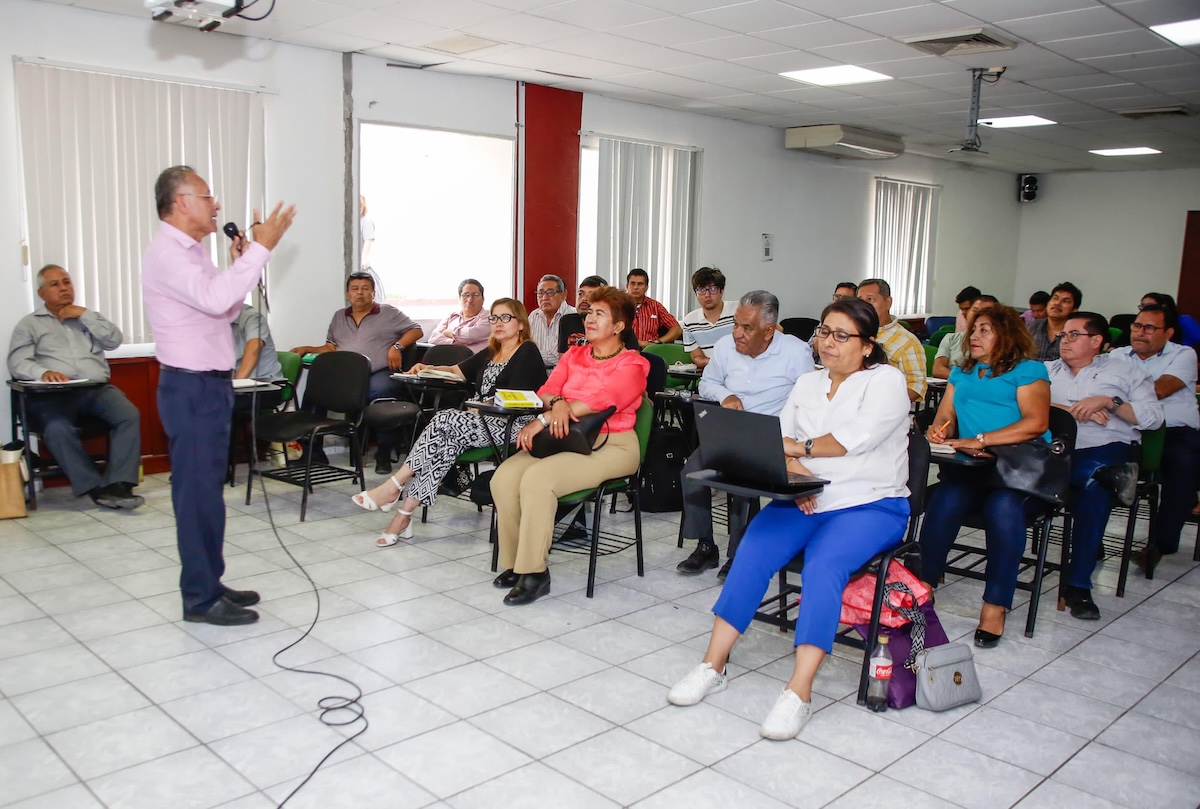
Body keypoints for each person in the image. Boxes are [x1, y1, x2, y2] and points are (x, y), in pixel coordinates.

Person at [667, 297, 911, 741]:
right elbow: (779, 439)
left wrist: (801, 450)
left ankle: (799, 692)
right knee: (753, 551)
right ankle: (713, 666)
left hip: (871, 503)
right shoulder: (808, 382)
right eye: (824, 332)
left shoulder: (886, 381)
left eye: (842, 335)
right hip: (805, 495)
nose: (828, 342)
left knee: (823, 566)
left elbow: (852, 440)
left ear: (867, 345)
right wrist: (797, 471)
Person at [142, 165, 295, 626]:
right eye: (208, 196)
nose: (217, 205)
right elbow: (213, 301)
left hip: (209, 384)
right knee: (195, 495)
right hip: (190, 386)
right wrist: (262, 249)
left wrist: (239, 265)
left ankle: (210, 581)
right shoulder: (168, 253)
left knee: (209, 492)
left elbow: (223, 308)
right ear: (181, 201)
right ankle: (198, 598)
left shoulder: (192, 253)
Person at [491, 287, 649, 606]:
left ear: (619, 326)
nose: (589, 319)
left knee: (538, 480)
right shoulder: (574, 355)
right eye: (589, 312)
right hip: (565, 438)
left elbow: (602, 399)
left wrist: (547, 417)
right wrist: (559, 403)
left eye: (599, 314)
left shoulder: (633, 364)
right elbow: (546, 391)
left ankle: (534, 573)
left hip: (613, 445)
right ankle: (517, 562)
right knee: (503, 478)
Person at [351, 298, 547, 545]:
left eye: (506, 317)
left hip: (512, 425)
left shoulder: (527, 351)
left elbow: (518, 398)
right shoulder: (491, 351)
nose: (498, 323)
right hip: (477, 422)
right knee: (444, 445)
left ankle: (394, 485)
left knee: (444, 418)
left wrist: (479, 407)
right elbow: (457, 370)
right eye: (494, 318)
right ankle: (403, 516)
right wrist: (426, 367)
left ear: (520, 324)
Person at [919, 305, 1051, 647]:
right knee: (945, 499)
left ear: (1006, 335)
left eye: (984, 330)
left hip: (1018, 471)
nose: (973, 336)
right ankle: (923, 587)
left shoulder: (1028, 370)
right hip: (975, 468)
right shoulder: (962, 372)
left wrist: (980, 439)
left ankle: (995, 603)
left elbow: (1036, 423)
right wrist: (939, 430)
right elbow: (945, 415)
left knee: (1002, 508)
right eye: (973, 329)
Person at [676, 290, 814, 577]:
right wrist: (725, 395)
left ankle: (739, 554)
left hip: (769, 437)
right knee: (691, 472)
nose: (737, 333)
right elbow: (707, 383)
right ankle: (705, 546)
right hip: (729, 431)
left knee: (743, 485)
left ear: (769, 331)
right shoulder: (725, 347)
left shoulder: (795, 353)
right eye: (736, 324)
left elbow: (808, 403)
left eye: (747, 328)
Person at [1048, 312, 1162, 619]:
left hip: (1108, 447)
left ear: (1097, 340)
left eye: (1074, 335)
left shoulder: (1126, 373)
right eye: (1063, 335)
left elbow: (1153, 418)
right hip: (1058, 452)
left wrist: (1109, 402)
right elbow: (1018, 403)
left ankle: (1078, 586)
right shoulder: (1046, 371)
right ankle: (1109, 477)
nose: (1065, 341)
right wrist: (1067, 409)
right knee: (1097, 482)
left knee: (1094, 488)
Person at [7, 264, 144, 509]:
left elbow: (114, 340)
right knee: (57, 428)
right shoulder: (29, 324)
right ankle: (94, 488)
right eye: (55, 284)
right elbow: (17, 362)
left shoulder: (86, 318)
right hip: (54, 395)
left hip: (96, 390)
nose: (63, 288)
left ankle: (120, 485)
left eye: (67, 282)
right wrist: (43, 372)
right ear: (41, 293)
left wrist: (84, 314)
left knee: (128, 415)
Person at [290, 272, 423, 474]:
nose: (360, 293)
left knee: (381, 392)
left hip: (379, 371)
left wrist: (396, 347)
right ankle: (313, 450)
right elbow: (330, 348)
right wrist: (306, 348)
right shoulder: (339, 317)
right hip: (348, 376)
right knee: (315, 391)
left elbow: (416, 330)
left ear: (373, 293)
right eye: (355, 288)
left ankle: (383, 453)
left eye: (365, 288)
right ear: (348, 293)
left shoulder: (388, 312)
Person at [1112, 305, 1200, 575]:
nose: (1140, 332)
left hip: (1174, 431)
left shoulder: (1183, 354)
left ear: (1168, 332)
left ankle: (1160, 544)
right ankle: (1091, 541)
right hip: (1128, 428)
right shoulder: (1116, 355)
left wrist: (1119, 393)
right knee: (1094, 462)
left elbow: (1160, 390)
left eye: (1149, 328)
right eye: (1137, 326)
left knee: (1184, 465)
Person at [856, 278, 926, 402]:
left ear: (888, 303)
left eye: (870, 299)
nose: (864, 306)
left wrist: (886, 404)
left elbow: (916, 386)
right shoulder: (852, 333)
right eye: (860, 301)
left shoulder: (907, 341)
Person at [680, 267, 737, 370]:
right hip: (712, 372)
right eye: (701, 290)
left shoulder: (738, 311)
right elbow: (697, 357)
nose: (707, 295)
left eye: (712, 289)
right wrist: (718, 362)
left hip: (742, 370)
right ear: (696, 294)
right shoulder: (690, 321)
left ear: (721, 291)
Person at [933, 295, 998, 379]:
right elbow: (937, 370)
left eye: (985, 312)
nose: (978, 315)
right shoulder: (951, 338)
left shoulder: (998, 343)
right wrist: (964, 380)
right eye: (975, 310)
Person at [427, 279, 491, 353]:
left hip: (475, 359)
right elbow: (433, 338)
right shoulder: (451, 316)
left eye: (475, 295)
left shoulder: (490, 318)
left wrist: (449, 332)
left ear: (483, 299)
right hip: (449, 357)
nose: (470, 300)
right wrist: (453, 342)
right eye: (466, 295)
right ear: (460, 298)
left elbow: (471, 335)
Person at [529, 274, 576, 369]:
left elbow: (562, 356)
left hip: (565, 373)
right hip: (536, 373)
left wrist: (528, 355)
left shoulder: (573, 316)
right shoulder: (533, 316)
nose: (544, 297)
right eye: (540, 293)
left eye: (550, 292)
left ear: (564, 294)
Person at [626, 268, 682, 348]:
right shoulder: (618, 305)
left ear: (646, 287)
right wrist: (638, 343)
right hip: (626, 349)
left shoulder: (655, 306)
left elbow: (676, 329)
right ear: (627, 286)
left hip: (651, 349)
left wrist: (658, 342)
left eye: (640, 284)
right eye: (632, 283)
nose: (636, 287)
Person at [1029, 281, 1081, 361]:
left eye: (1065, 301)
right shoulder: (1030, 328)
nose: (1057, 303)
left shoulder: (1078, 335)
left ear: (1074, 310)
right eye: (1055, 298)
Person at [359, 195, 385, 305]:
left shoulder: (366, 221)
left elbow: (368, 241)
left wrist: (363, 260)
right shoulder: (353, 222)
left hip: (362, 266)